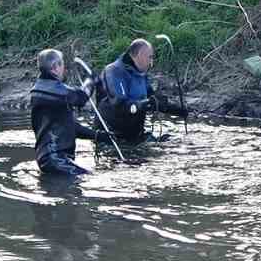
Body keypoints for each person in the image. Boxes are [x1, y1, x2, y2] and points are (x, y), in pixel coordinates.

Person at [29, 48, 105, 176]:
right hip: (54, 158)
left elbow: (70, 126)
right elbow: (80, 97)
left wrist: (97, 136)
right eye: (62, 65)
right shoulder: (50, 90)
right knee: (86, 178)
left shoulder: (44, 88)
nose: (64, 69)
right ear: (54, 67)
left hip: (52, 159)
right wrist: (91, 80)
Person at [95, 38, 185, 145]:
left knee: (171, 142)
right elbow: (120, 105)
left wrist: (180, 111)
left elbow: (154, 101)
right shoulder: (113, 72)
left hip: (135, 135)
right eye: (150, 57)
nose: (151, 63)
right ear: (139, 55)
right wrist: (144, 103)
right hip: (111, 138)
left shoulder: (141, 74)